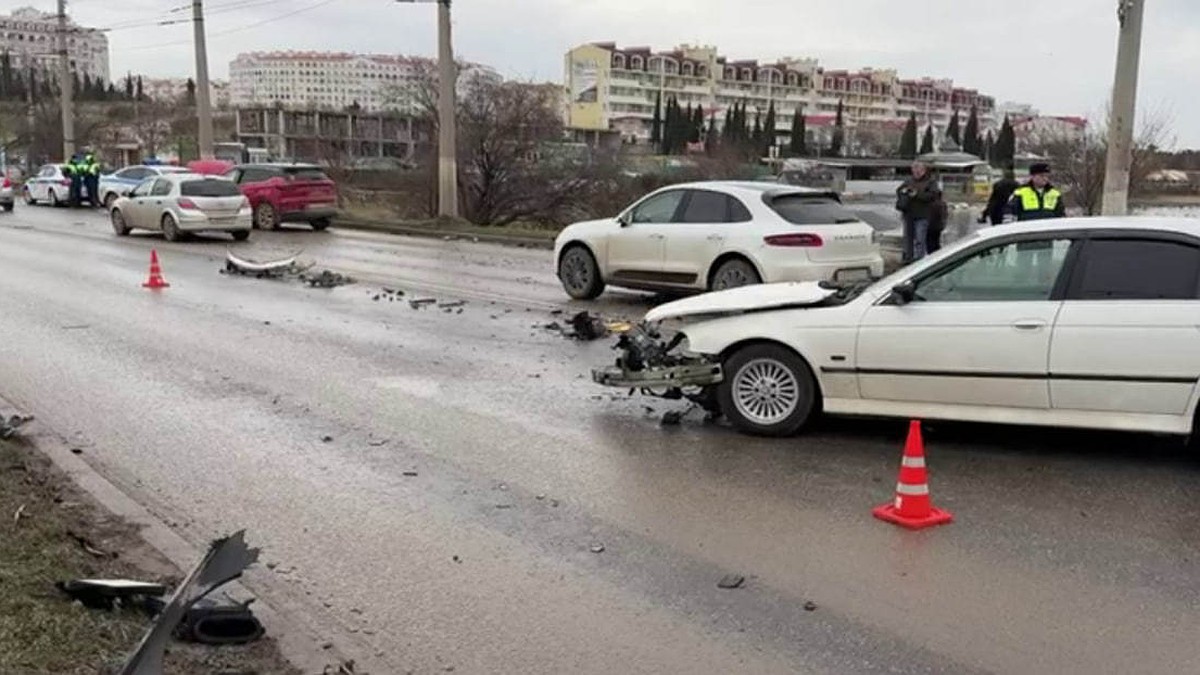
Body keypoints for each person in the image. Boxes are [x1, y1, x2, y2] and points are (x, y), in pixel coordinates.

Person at [895, 161, 942, 262]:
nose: (916, 172)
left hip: (922, 215)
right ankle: (907, 258)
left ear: (923, 170)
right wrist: (904, 192)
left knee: (920, 239)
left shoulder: (930, 182)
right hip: (908, 214)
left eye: (918, 170)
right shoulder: (908, 181)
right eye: (914, 169)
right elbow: (899, 190)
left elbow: (933, 196)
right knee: (908, 239)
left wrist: (917, 194)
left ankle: (919, 260)